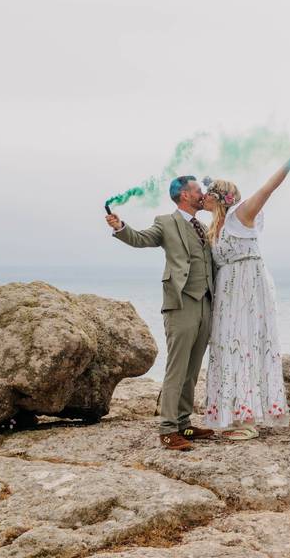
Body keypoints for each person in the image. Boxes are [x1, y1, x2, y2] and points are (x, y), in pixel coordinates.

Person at [202, 148, 290, 440]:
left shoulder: (242, 215)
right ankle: (234, 414)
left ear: (218, 197)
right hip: (229, 291)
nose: (203, 197)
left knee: (245, 341)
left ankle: (248, 420)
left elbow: (268, 188)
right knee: (228, 344)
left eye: (208, 194)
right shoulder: (216, 225)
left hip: (247, 285)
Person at [105, 176, 216, 451]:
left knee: (192, 368)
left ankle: (183, 423)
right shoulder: (166, 222)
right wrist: (120, 227)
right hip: (181, 302)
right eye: (198, 190)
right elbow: (141, 239)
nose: (203, 194)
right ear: (184, 195)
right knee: (177, 367)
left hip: (206, 302)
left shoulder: (203, 226)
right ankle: (167, 430)